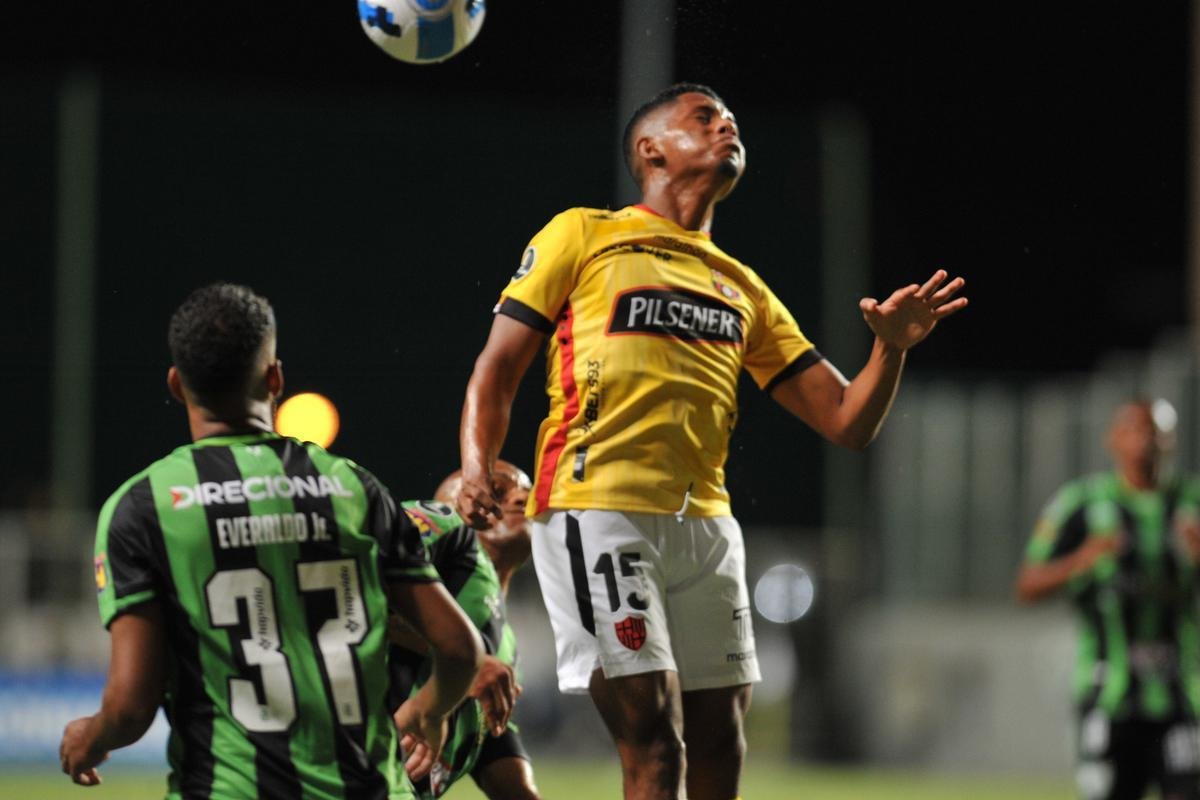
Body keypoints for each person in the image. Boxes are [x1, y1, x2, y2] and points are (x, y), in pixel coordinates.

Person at [455, 82, 968, 800]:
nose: (727, 127)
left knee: (722, 743)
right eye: (705, 118)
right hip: (598, 509)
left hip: (707, 528)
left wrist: (892, 350)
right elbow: (498, 365)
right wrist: (476, 463)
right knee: (656, 743)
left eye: (731, 120)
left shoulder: (742, 286)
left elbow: (848, 421)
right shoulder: (585, 232)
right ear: (651, 149)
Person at [59, 283, 484, 799]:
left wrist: (91, 737)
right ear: (275, 377)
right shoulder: (351, 486)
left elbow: (130, 707)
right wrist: (428, 709)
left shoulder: (144, 507)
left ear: (176, 384)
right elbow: (461, 648)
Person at [1016, 401, 1200, 800]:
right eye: (1134, 430)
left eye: (1155, 432)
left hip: (1183, 694)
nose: (1145, 442)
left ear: (1171, 441)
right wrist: (1084, 559)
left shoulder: (1192, 502)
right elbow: (1028, 585)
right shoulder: (1081, 503)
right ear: (1112, 439)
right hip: (1107, 691)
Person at [389, 461, 541, 800]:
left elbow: (486, 737)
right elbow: (356, 587)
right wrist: (462, 660)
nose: (521, 499)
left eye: (527, 494)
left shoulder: (506, 642)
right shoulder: (443, 525)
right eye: (500, 490)